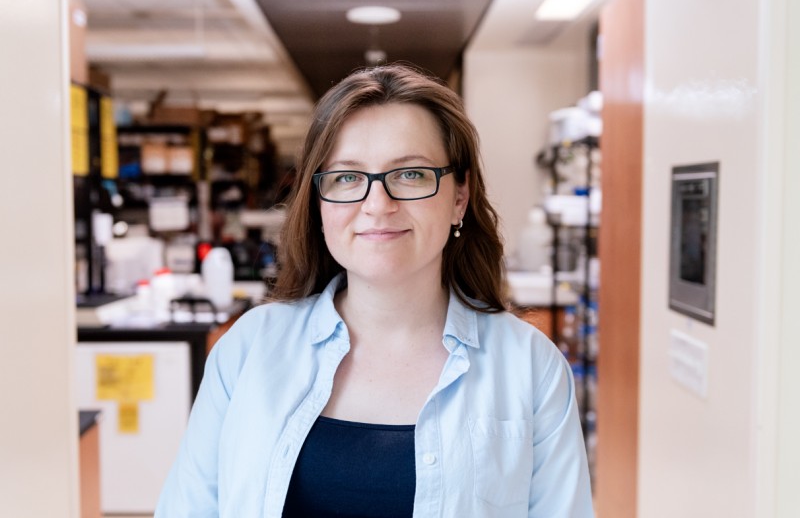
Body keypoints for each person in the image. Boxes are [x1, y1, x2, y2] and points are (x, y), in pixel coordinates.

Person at [156, 63, 594, 517]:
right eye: (347, 178)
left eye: (411, 175)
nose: (377, 205)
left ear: (459, 195)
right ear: (318, 201)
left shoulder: (529, 367)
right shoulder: (249, 350)